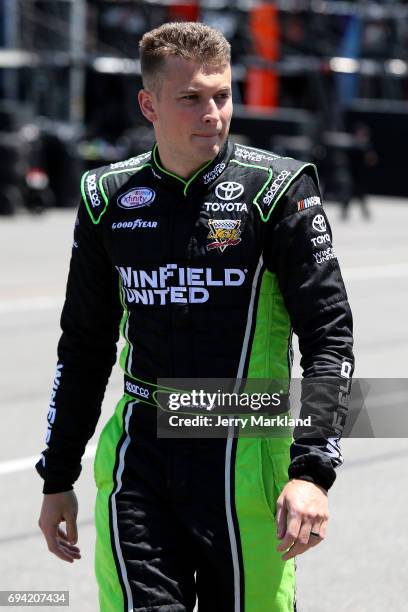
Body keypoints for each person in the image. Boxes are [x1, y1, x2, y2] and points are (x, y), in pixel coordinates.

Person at [36, 22, 354, 612]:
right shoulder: (107, 197)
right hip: (142, 456)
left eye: (222, 96)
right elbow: (83, 344)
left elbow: (330, 336)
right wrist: (58, 475)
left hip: (247, 458)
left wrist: (312, 470)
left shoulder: (279, 191)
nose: (212, 113)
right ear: (148, 104)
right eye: (191, 99)